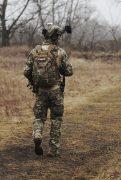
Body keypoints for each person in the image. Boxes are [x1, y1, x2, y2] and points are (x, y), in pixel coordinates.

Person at [24, 23, 73, 157]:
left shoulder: (35, 51)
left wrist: (33, 82)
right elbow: (69, 72)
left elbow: (26, 71)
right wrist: (60, 68)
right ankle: (53, 150)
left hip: (40, 91)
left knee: (39, 117)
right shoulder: (60, 52)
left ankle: (38, 133)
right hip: (56, 91)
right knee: (56, 119)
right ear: (56, 37)